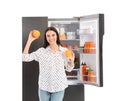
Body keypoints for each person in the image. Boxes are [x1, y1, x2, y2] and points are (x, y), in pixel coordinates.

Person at [22, 26, 75, 101]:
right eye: (48, 36)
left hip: (59, 87)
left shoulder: (64, 51)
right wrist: (29, 40)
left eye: (53, 35)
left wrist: (71, 61)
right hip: (44, 87)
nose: (51, 38)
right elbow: (25, 58)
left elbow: (69, 69)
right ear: (46, 38)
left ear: (57, 36)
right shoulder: (41, 51)